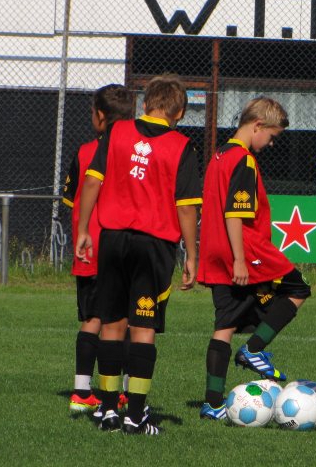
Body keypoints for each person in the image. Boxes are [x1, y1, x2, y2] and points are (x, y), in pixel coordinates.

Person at [74, 73, 202, 435]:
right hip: (153, 245)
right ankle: (136, 415)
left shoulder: (116, 133)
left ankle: (109, 411)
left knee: (112, 323)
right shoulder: (182, 146)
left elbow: (93, 180)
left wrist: (84, 229)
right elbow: (187, 208)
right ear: (178, 111)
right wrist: (191, 255)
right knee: (143, 327)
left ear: (146, 103)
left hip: (112, 238)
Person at [197, 97, 311, 420]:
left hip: (216, 250)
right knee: (299, 289)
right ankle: (255, 349)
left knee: (225, 325)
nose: (271, 143)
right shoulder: (243, 161)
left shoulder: (219, 156)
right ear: (257, 125)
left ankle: (213, 404)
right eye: (272, 136)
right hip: (246, 250)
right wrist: (240, 260)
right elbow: (236, 213)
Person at [63, 84, 134, 413]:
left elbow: (70, 200)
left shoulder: (83, 152)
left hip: (88, 247)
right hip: (122, 245)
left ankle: (81, 391)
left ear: (100, 116)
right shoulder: (134, 153)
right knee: (123, 321)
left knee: (92, 318)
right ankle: (117, 391)